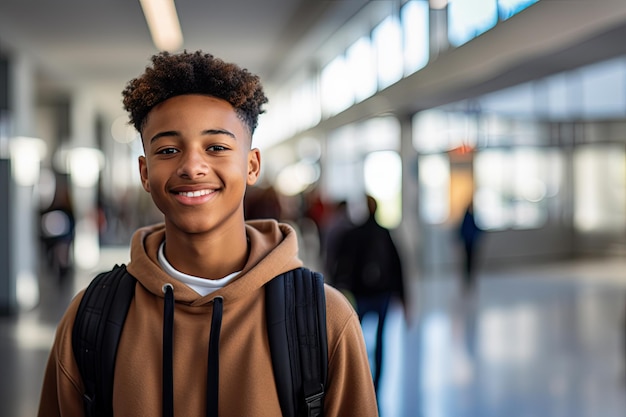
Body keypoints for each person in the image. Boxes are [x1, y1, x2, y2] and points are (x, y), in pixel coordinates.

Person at [37, 50, 377, 417]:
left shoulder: (323, 319)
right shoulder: (91, 318)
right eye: (168, 150)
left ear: (251, 165)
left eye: (216, 147)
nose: (192, 166)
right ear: (145, 173)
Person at [330, 195, 405, 396]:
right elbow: (398, 265)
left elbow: (341, 263)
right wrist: (404, 298)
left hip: (360, 294)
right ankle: (377, 384)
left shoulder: (353, 234)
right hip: (382, 294)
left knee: (357, 337)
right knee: (381, 338)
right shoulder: (384, 233)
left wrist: (337, 287)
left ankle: (359, 380)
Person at [457, 201, 483, 294]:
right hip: (468, 242)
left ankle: (470, 276)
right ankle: (468, 277)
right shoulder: (468, 217)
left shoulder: (470, 217)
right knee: (468, 261)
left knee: (471, 260)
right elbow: (464, 230)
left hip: (471, 242)